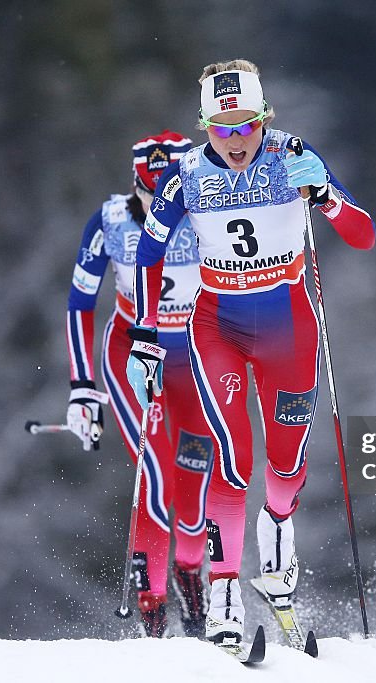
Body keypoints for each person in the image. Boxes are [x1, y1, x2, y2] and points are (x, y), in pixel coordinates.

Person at [125, 60, 375, 645]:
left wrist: (328, 198)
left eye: (246, 126)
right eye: (221, 127)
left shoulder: (293, 156)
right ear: (205, 126)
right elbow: (148, 253)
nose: (235, 141)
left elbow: (364, 234)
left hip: (288, 323)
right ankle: (224, 592)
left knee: (285, 468)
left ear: (265, 119)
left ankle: (280, 536)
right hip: (217, 324)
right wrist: (143, 335)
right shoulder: (186, 175)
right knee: (232, 460)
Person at [65, 130, 215, 638]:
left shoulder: (209, 211)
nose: (159, 208)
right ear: (136, 184)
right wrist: (82, 386)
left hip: (195, 358)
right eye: (150, 196)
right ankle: (151, 604)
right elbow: (80, 303)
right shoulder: (110, 219)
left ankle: (191, 572)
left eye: (169, 193)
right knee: (155, 474)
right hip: (134, 356)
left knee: (196, 478)